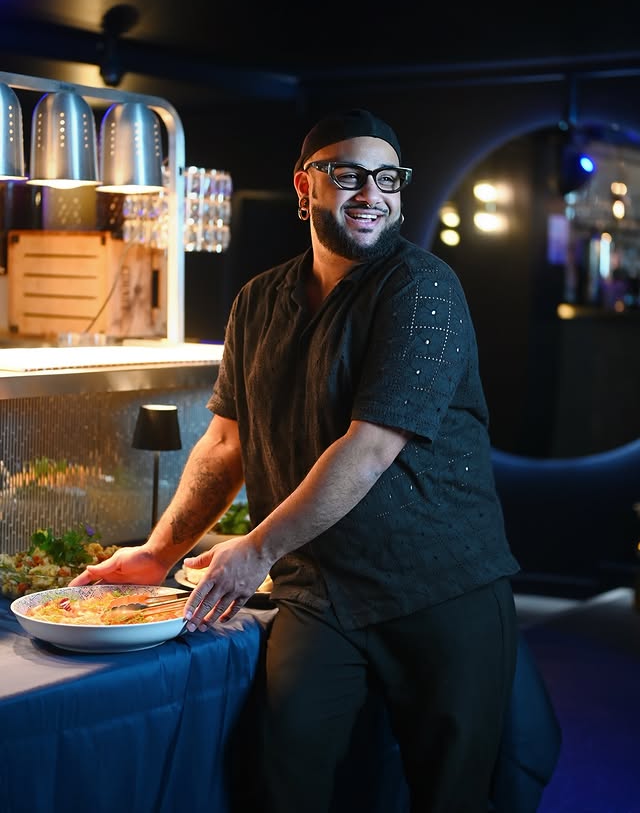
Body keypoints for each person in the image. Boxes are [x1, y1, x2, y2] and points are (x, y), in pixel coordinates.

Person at [71, 109, 521, 813]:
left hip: (441, 587)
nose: (370, 193)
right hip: (320, 591)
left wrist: (255, 547)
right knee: (284, 780)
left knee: (452, 794)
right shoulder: (257, 302)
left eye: (387, 179)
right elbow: (226, 445)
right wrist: (158, 552)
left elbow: (370, 446)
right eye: (347, 175)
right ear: (304, 188)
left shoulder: (423, 288)